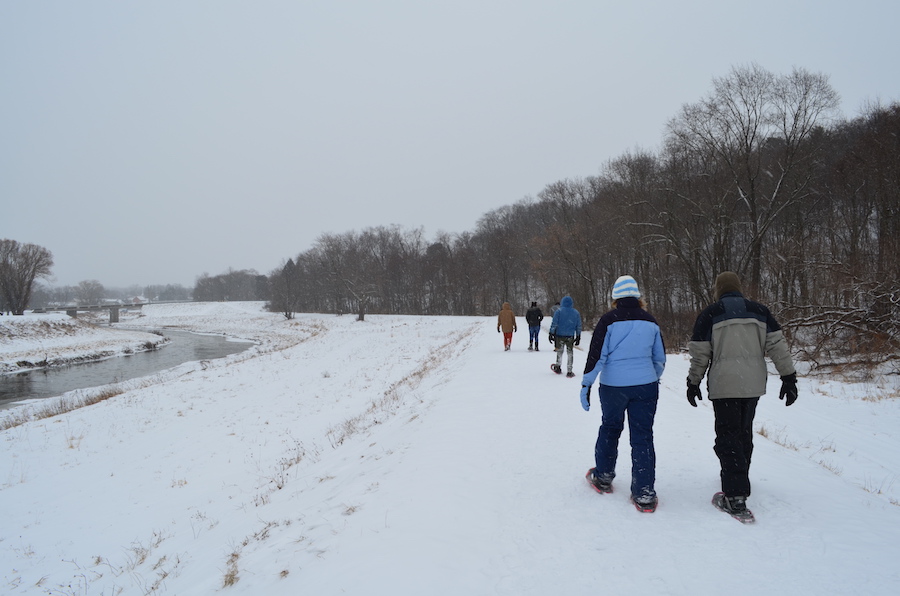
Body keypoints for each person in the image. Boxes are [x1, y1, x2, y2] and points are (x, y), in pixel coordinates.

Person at [686, 271, 797, 522]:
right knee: (743, 431)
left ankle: (735, 497)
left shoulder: (710, 314)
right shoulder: (760, 311)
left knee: (727, 436)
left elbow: (700, 354)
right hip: (752, 384)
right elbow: (778, 346)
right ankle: (739, 475)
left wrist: (693, 382)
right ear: (738, 288)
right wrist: (789, 377)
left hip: (725, 384)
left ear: (718, 290)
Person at [580, 276, 666, 512]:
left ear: (615, 298)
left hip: (613, 387)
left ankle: (604, 476)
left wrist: (587, 383)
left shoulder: (609, 320)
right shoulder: (651, 321)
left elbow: (597, 355)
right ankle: (645, 493)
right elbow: (659, 358)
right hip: (646, 385)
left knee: (610, 428)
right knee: (643, 437)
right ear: (638, 297)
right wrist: (651, 377)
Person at [549, 296, 582, 377]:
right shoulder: (576, 313)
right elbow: (578, 325)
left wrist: (551, 333)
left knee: (560, 351)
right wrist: (578, 335)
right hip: (570, 336)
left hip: (560, 335)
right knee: (570, 352)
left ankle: (558, 366)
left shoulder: (559, 311)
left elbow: (554, 323)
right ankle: (569, 370)